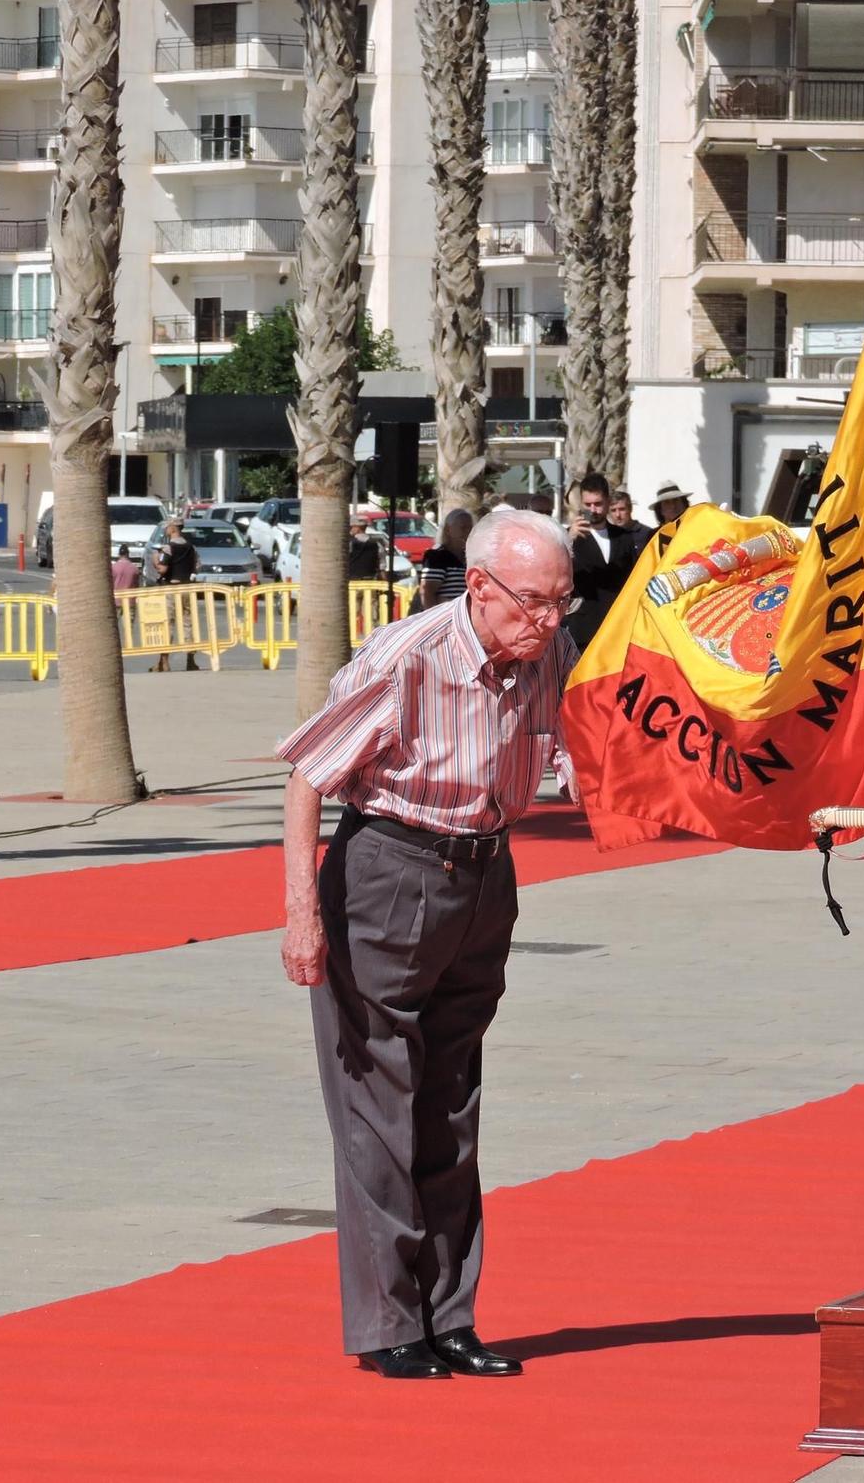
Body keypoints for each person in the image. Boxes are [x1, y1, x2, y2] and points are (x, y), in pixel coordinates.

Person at [277, 508, 579, 1380]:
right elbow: (307, 781)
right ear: (478, 587)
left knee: (450, 1100)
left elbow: (558, 746)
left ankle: (452, 1316)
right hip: (390, 869)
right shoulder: (406, 656)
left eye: (561, 602)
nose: (550, 622)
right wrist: (304, 916)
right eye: (533, 603)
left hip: (484, 875)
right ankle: (388, 1324)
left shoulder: (545, 648)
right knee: (378, 1104)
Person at [563, 473, 632, 650]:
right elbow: (556, 573)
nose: (593, 510)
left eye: (598, 504)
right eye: (588, 505)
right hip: (583, 630)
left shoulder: (624, 537)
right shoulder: (569, 537)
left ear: (608, 502)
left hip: (618, 628)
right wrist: (568, 540)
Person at [151, 517, 198, 673]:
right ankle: (191, 661)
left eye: (167, 528)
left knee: (167, 624)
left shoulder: (168, 548)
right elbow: (197, 566)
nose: (166, 530)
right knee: (188, 624)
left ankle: (164, 662)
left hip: (172, 588)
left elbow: (163, 570)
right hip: (188, 588)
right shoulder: (191, 547)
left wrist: (155, 561)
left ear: (172, 529)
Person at [418, 508, 473, 608]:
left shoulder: (471, 557)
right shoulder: (437, 557)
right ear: (448, 530)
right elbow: (427, 592)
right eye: (463, 528)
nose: (468, 532)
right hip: (446, 617)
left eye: (470, 528)